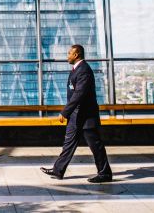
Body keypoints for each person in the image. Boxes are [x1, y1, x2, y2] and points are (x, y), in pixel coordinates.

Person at [41, 44, 113, 183]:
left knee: (95, 146)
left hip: (86, 116)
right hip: (76, 115)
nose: (67, 56)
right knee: (68, 143)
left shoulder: (84, 70)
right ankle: (58, 170)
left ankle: (105, 173)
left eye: (69, 53)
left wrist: (65, 112)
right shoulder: (76, 69)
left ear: (76, 54)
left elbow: (79, 94)